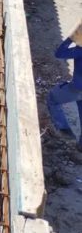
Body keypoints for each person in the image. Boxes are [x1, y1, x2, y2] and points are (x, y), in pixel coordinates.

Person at [47, 21, 82, 150]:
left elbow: (59, 53)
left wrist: (72, 38)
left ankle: (63, 128)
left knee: (53, 97)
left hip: (78, 88)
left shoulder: (80, 50)